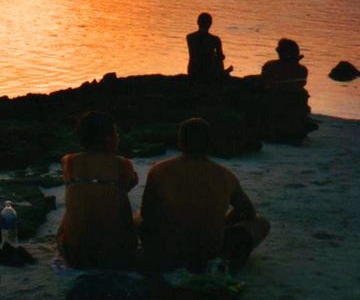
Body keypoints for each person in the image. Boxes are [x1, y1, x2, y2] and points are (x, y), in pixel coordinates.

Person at [139, 118, 269, 272]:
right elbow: (248, 211)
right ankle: (224, 259)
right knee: (261, 223)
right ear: (209, 144)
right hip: (210, 250)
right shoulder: (225, 175)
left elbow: (147, 213)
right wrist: (224, 222)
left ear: (180, 142)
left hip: (170, 250)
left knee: (137, 218)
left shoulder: (159, 170)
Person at [58, 111, 138, 270]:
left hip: (73, 255)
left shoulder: (69, 161)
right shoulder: (122, 164)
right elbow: (130, 183)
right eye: (115, 132)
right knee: (138, 217)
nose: (118, 136)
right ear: (108, 138)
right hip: (115, 255)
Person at [259, 38, 316, 142]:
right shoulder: (302, 69)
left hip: (277, 102)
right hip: (289, 101)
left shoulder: (271, 66)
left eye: (279, 50)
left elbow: (265, 83)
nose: (277, 51)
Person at [186, 12, 232, 83]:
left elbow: (194, 54)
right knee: (218, 58)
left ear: (198, 22)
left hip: (193, 69)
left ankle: (222, 73)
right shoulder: (215, 39)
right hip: (208, 70)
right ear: (210, 24)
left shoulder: (190, 37)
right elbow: (220, 56)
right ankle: (222, 73)